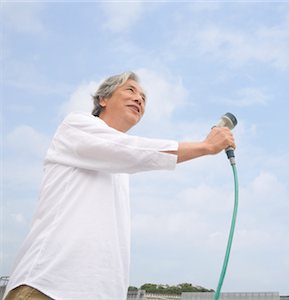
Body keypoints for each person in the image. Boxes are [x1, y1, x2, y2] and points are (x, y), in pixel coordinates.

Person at [4, 71, 236, 300]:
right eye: (130, 90)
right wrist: (205, 146)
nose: (139, 99)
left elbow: (129, 152)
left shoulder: (121, 168)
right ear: (102, 99)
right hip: (47, 287)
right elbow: (133, 151)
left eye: (144, 98)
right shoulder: (76, 126)